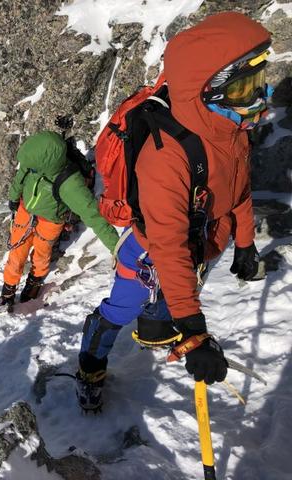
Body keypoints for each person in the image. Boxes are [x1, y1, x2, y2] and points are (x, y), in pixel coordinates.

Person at [76, 12, 271, 412]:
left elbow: (238, 189)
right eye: (244, 88)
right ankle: (91, 366)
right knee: (121, 310)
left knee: (165, 313)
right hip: (150, 254)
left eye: (259, 82)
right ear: (209, 91)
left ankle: (164, 322)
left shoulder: (230, 132)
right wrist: (196, 332)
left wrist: (245, 244)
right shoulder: (166, 158)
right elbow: (167, 245)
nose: (259, 99)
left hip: (197, 247)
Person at [1, 131, 119, 307]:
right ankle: (8, 291)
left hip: (51, 220)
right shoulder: (34, 161)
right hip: (25, 210)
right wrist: (14, 197)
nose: (27, 167)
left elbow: (94, 216)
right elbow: (22, 174)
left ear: (46, 164)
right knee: (17, 253)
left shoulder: (70, 184)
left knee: (41, 254)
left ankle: (33, 286)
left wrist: (118, 248)